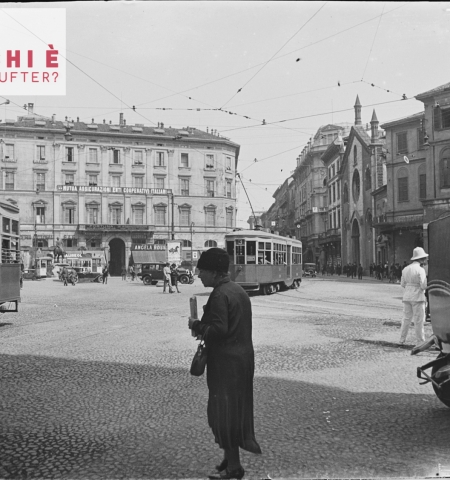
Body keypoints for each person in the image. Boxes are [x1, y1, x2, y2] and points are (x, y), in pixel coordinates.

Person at [188, 248, 261, 479]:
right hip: (242, 360)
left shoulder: (220, 294)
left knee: (223, 414)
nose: (199, 275)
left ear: (214, 272)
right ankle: (231, 459)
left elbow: (219, 330)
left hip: (227, 364)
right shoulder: (237, 290)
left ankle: (233, 469)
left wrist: (196, 326)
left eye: (202, 271)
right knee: (233, 412)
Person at [399, 247, 428, 345]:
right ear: (420, 259)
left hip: (407, 296)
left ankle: (402, 339)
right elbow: (423, 285)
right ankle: (420, 341)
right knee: (419, 320)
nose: (424, 260)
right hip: (418, 297)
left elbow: (402, 284)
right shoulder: (421, 270)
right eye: (423, 258)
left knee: (406, 319)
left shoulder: (405, 269)